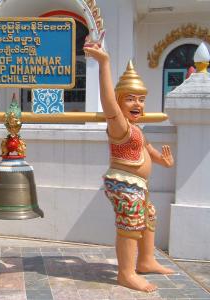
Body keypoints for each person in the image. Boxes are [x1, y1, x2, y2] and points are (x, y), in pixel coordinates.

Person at [84, 39, 174, 292]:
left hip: (139, 185)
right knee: (130, 226)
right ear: (120, 102)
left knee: (148, 216)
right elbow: (107, 101)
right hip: (123, 183)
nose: (138, 104)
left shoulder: (137, 130)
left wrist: (162, 160)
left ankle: (145, 261)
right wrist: (104, 64)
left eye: (142, 100)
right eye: (131, 99)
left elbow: (147, 149)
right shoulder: (119, 126)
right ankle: (126, 273)